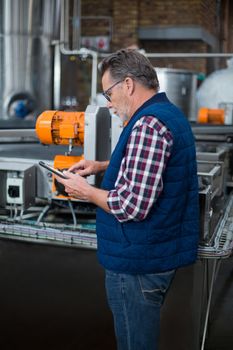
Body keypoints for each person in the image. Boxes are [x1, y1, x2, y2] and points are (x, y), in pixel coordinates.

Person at [55, 49, 200, 350]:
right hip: (156, 254)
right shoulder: (168, 114)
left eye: (108, 93)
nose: (108, 104)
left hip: (137, 266)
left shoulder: (147, 125)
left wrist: (86, 191)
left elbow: (131, 205)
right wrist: (100, 166)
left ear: (129, 85)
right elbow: (152, 165)